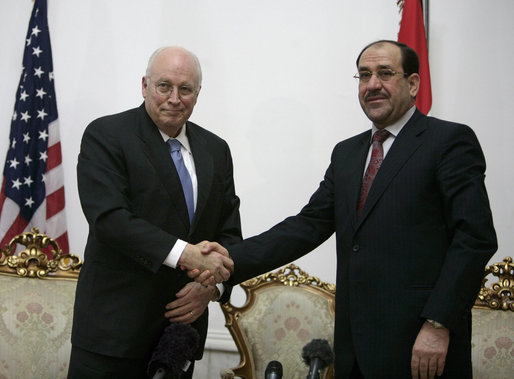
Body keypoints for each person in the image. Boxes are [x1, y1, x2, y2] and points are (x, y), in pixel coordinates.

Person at [195, 40, 497, 378]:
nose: (373, 85)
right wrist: (230, 260)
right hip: (355, 349)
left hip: (421, 346)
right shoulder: (348, 154)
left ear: (412, 84)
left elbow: (475, 239)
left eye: (385, 73)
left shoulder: (448, 142)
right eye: (364, 75)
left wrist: (438, 322)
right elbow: (306, 226)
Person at [68, 46, 241, 378]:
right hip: (113, 336)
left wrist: (211, 288)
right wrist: (186, 255)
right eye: (164, 86)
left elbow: (229, 233)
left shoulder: (216, 150)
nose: (174, 98)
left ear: (197, 93)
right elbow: (110, 219)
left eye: (185, 89)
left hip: (179, 339)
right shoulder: (107, 136)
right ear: (144, 85)